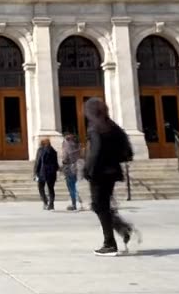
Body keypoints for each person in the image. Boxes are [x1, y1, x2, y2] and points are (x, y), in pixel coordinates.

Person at [82, 97, 140, 256]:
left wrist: (88, 169)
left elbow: (96, 150)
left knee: (99, 206)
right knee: (102, 205)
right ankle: (121, 229)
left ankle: (109, 243)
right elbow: (127, 151)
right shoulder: (113, 126)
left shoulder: (95, 127)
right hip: (112, 171)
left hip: (99, 172)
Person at [34, 137, 59, 211]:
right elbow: (56, 163)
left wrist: (35, 172)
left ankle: (45, 202)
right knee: (51, 189)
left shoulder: (40, 150)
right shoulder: (53, 151)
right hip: (52, 172)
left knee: (41, 188)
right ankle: (51, 205)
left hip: (42, 172)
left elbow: (38, 162)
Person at [60, 132, 81, 210]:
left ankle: (74, 204)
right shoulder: (77, 143)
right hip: (77, 166)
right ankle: (78, 201)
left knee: (71, 186)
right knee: (75, 185)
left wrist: (63, 162)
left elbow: (65, 156)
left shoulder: (66, 143)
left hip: (69, 168)